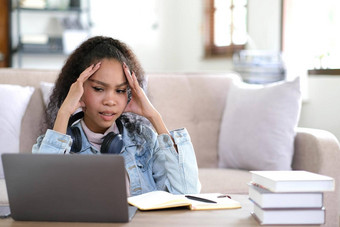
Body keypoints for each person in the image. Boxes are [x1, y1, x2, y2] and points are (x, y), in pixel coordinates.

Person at [32, 36, 201, 196]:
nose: (110, 101)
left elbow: (187, 192)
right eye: (99, 88)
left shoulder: (145, 140)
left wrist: (155, 117)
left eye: (120, 90)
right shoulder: (59, 143)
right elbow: (40, 197)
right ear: (79, 90)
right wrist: (63, 113)